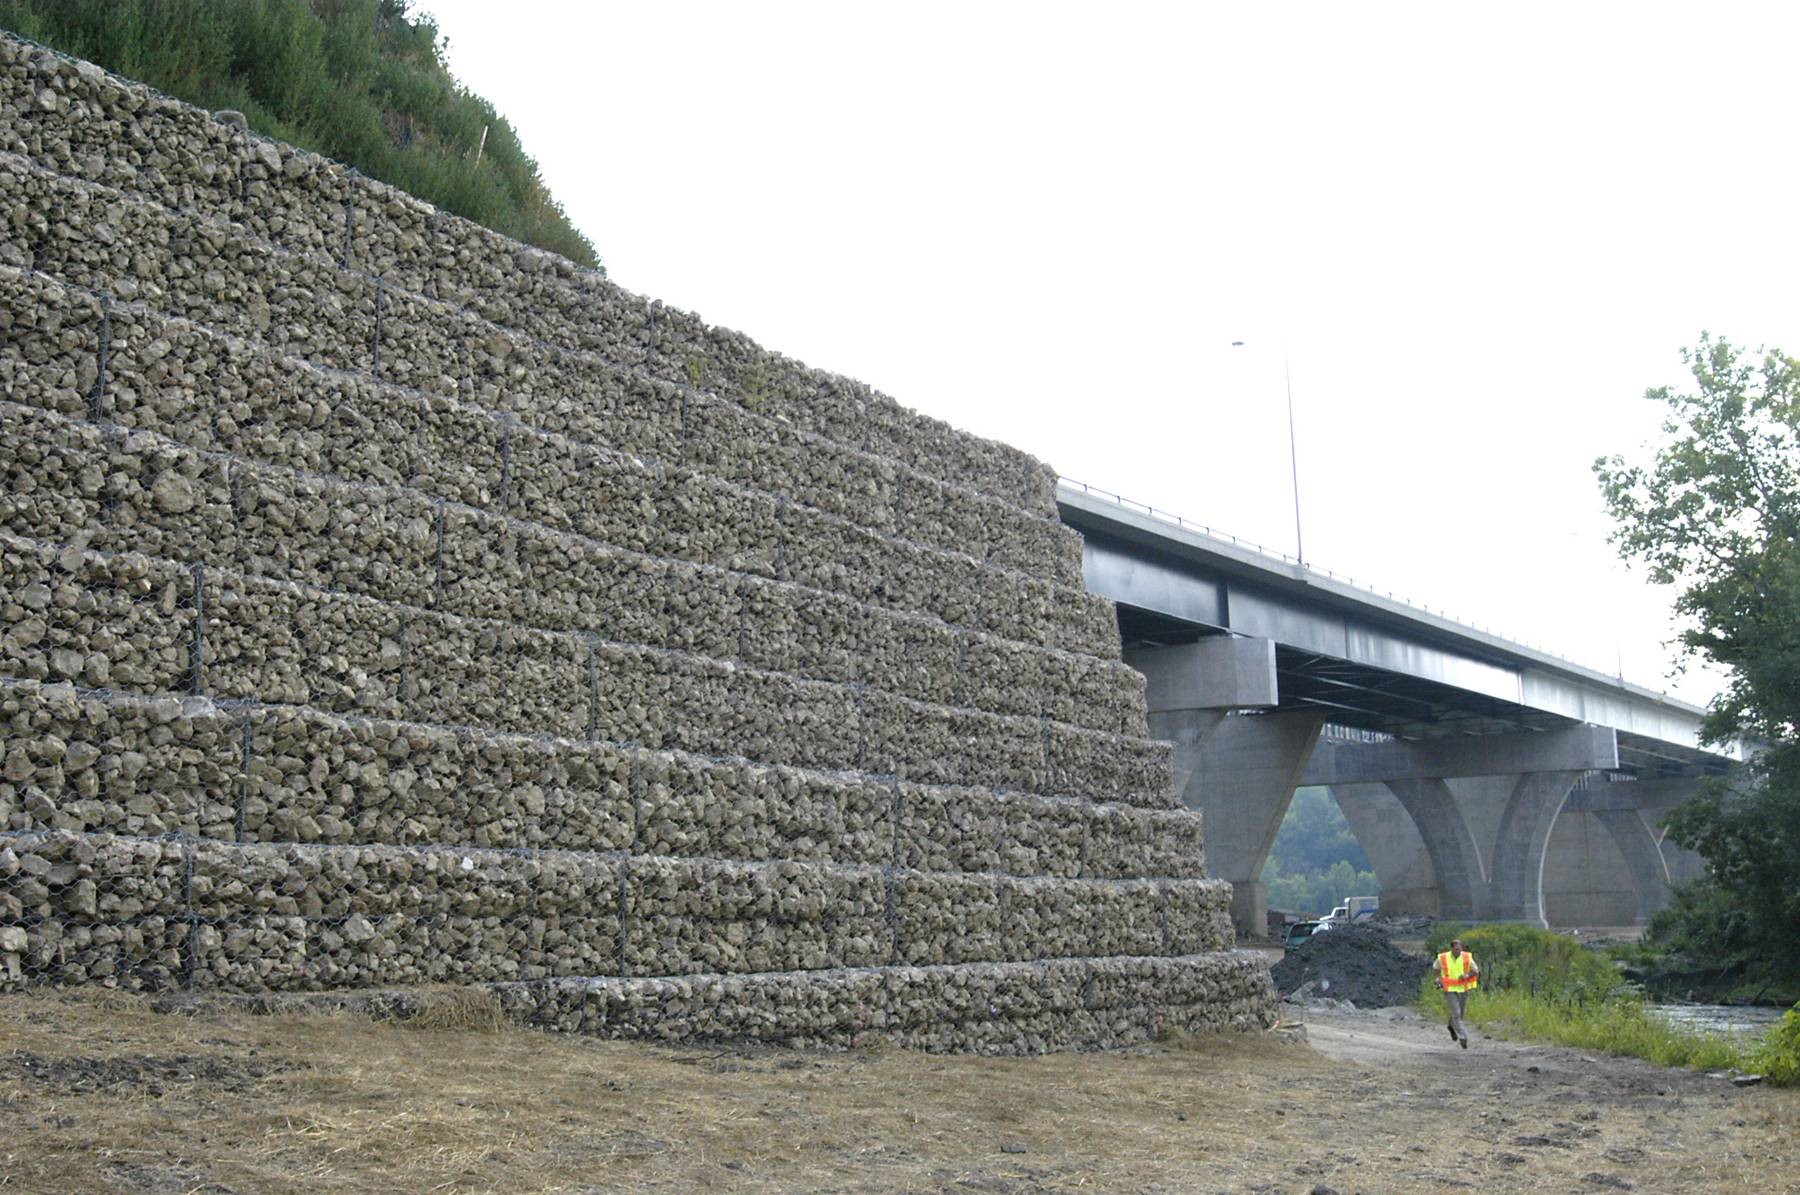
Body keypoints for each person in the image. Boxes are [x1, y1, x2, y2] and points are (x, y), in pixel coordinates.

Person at [1436, 937, 1480, 1048]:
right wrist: (1437, 979)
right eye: (1456, 949)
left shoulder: (1467, 957)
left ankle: (1451, 1026)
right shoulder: (1443, 957)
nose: (1458, 951)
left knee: (1460, 1013)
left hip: (1463, 989)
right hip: (1449, 989)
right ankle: (1463, 1037)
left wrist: (1467, 975)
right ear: (1451, 949)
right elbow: (1436, 969)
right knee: (1456, 1012)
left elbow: (1475, 971)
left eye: (1460, 949)